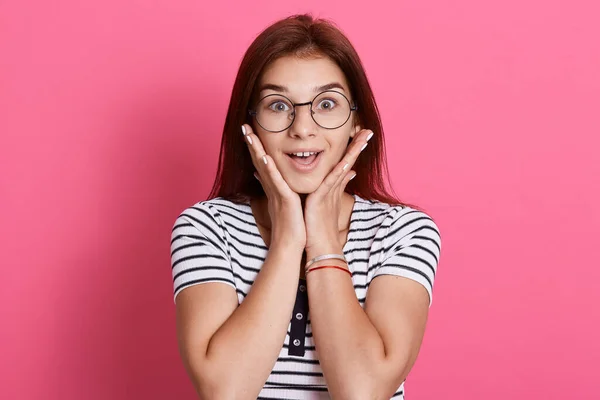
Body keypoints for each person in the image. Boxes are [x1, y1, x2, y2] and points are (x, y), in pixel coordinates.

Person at [170, 13, 442, 400]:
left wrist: (323, 238)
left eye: (326, 103)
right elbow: (224, 391)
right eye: (278, 106)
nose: (302, 127)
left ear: (356, 120)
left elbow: (363, 391)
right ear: (250, 125)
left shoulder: (403, 231)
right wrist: (287, 240)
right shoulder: (205, 226)